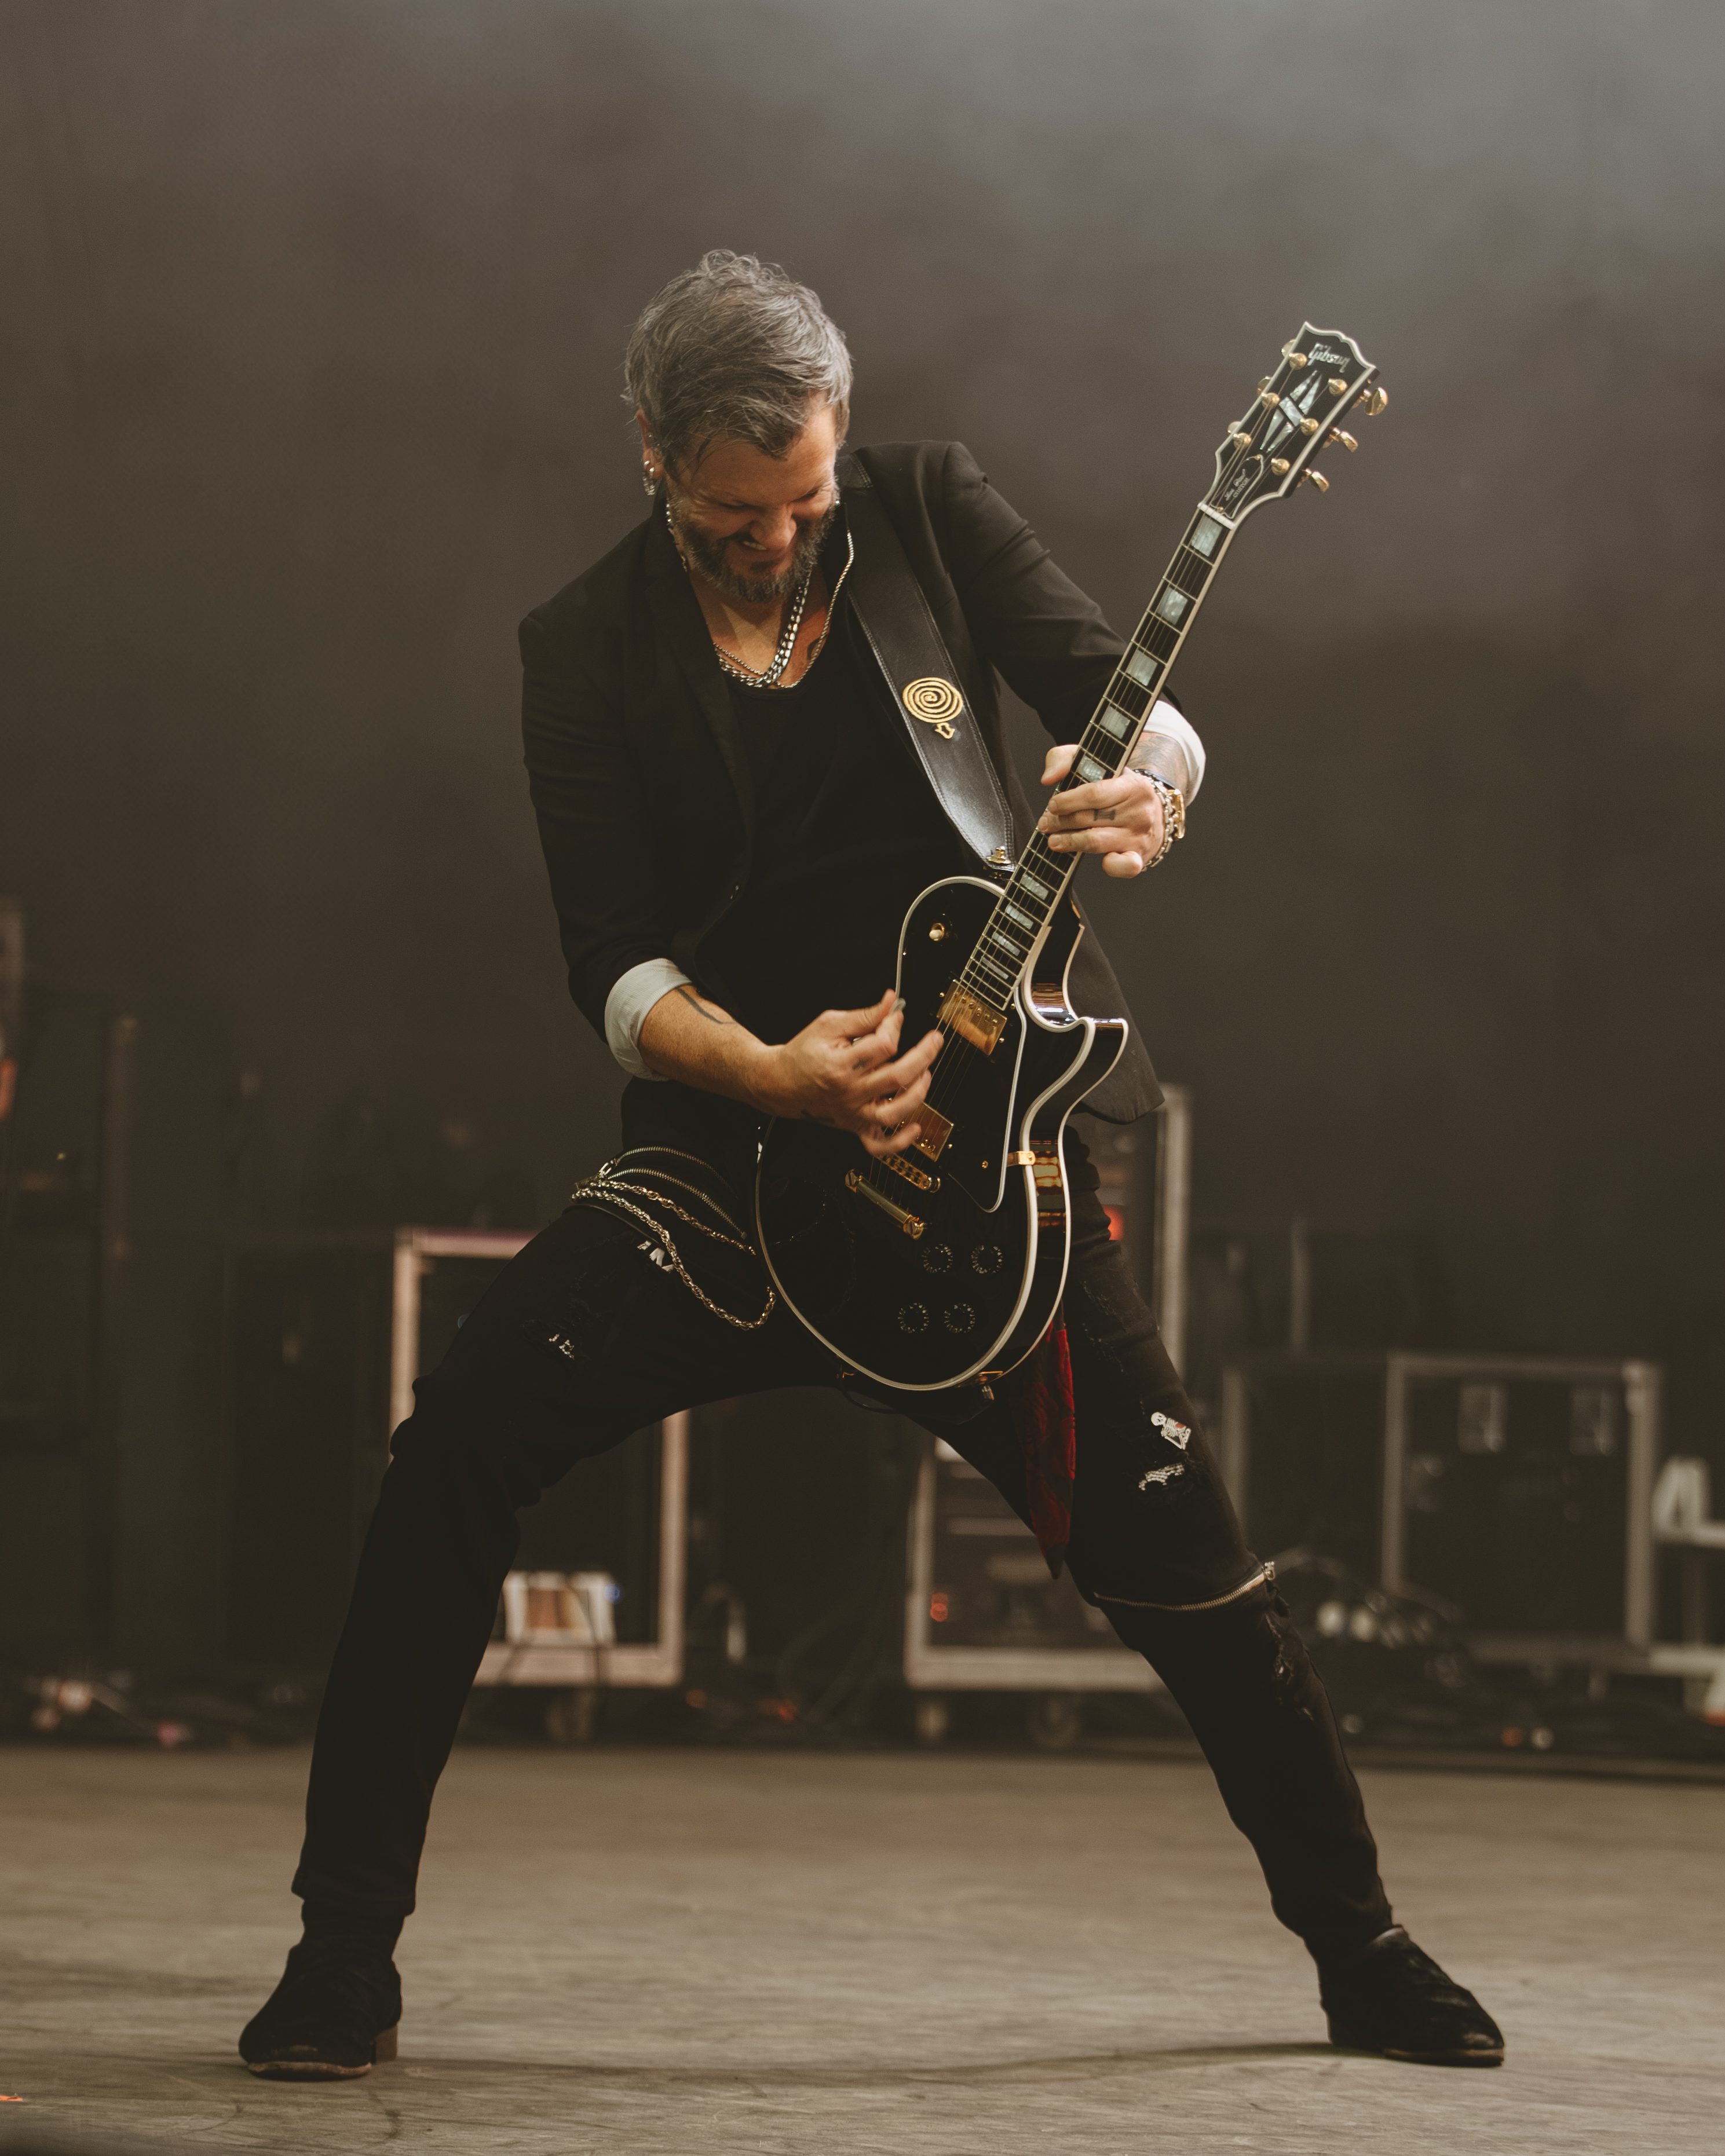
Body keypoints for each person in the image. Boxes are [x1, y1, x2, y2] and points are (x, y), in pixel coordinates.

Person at [239, 251, 1502, 2080]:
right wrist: (768, 1071)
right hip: (727, 1175)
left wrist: (1144, 786)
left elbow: (1121, 696)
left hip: (984, 1168)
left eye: (802, 500)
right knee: (453, 1446)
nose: (776, 537)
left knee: (1196, 1570)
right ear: (655, 456)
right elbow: (607, 959)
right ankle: (340, 1955)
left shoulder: (926, 508)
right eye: (732, 511)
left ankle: (1361, 1948)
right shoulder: (577, 647)